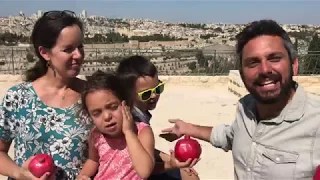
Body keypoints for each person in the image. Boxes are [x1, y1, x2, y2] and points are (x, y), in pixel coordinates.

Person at [162, 19, 320, 179]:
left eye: (274, 58)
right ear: (242, 74)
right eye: (253, 62)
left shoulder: (316, 122)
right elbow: (231, 136)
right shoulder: (246, 107)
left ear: (294, 65)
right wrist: (188, 129)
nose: (265, 69)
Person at [0, 10, 90, 180]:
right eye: (68, 49)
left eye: (80, 47)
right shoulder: (18, 97)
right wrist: (18, 173)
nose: (78, 55)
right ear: (45, 53)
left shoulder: (92, 97)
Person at [116, 55, 199, 180]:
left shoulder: (138, 112)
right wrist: (172, 164)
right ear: (128, 94)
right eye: (146, 94)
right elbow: (140, 164)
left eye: (158, 88)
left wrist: (173, 161)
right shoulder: (131, 120)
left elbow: (145, 149)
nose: (154, 95)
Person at [77, 71, 155, 180]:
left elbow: (145, 171)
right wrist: (83, 175)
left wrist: (129, 132)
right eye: (97, 113)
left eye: (113, 107)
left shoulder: (142, 131)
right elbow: (93, 160)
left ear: (126, 104)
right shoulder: (96, 135)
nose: (107, 116)